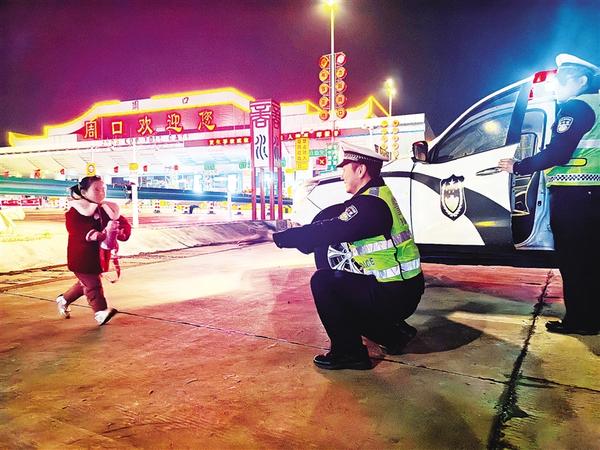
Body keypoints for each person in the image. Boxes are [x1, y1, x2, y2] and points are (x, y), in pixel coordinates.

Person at [273, 142, 425, 370]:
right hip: (404, 289)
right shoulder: (378, 195)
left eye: (345, 168)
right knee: (350, 287)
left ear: (360, 170)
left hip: (395, 295)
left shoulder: (370, 205)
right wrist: (306, 241)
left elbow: (333, 229)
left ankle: (349, 353)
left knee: (324, 282)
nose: (342, 174)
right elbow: (336, 226)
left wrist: (287, 237)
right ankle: (393, 335)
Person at [498, 54, 599, 335]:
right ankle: (593, 317)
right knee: (591, 261)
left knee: (574, 262)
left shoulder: (577, 107)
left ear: (581, 81)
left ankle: (581, 321)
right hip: (592, 196)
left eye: (562, 81)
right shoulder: (597, 105)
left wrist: (518, 166)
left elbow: (559, 153)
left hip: (574, 198)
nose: (557, 87)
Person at [55, 175, 131, 325]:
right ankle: (100, 312)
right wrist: (95, 235)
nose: (101, 192)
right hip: (81, 257)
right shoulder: (76, 210)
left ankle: (64, 299)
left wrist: (122, 232)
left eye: (103, 189)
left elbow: (122, 223)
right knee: (93, 285)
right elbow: (75, 229)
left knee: (86, 283)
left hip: (99, 257)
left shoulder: (107, 209)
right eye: (96, 189)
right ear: (84, 192)